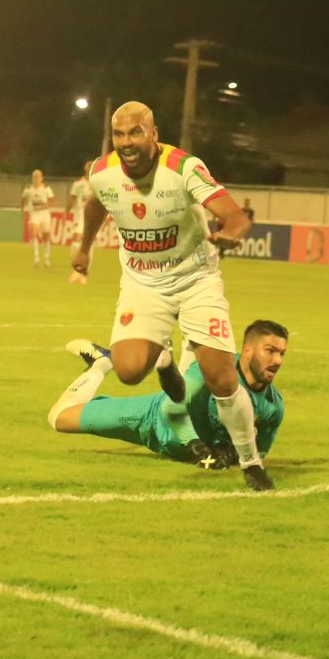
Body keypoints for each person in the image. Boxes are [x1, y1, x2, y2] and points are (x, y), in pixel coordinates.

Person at [72, 101, 272, 491]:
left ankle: (251, 463)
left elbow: (236, 216)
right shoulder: (102, 172)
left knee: (220, 378)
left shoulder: (183, 167)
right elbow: (96, 205)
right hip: (143, 283)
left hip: (196, 279)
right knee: (129, 372)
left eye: (135, 132)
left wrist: (231, 232)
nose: (126, 142)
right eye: (119, 134)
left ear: (154, 133)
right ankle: (164, 359)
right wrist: (84, 248)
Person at [47, 320, 287, 468]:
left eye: (281, 353)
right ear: (246, 351)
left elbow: (259, 452)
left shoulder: (273, 406)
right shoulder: (216, 371)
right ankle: (101, 363)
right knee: (58, 418)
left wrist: (232, 454)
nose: (277, 360)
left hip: (181, 427)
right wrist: (197, 446)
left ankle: (175, 349)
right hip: (154, 420)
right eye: (270, 351)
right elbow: (171, 408)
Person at [20, 168, 56, 267]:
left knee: (46, 237)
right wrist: (23, 210)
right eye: (34, 177)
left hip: (44, 214)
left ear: (42, 178)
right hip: (34, 214)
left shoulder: (46, 188)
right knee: (34, 233)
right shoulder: (28, 189)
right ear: (32, 178)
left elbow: (52, 200)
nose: (36, 179)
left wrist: (47, 205)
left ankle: (47, 257)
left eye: (38, 177)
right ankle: (36, 257)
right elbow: (23, 200)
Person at [66, 161, 94, 284]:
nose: (89, 169)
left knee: (88, 243)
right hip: (80, 216)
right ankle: (79, 269)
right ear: (85, 169)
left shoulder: (98, 183)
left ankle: (82, 273)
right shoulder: (79, 184)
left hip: (93, 217)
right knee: (77, 240)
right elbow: (72, 198)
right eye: (88, 167)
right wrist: (67, 210)